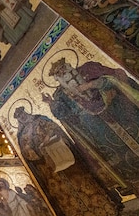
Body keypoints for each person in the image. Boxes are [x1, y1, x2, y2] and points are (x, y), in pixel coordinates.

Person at [13, 106, 121, 216]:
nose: (22, 117)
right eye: (19, 116)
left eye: (22, 113)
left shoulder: (40, 120)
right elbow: (25, 153)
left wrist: (47, 139)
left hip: (63, 157)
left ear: (26, 112)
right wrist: (34, 152)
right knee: (66, 196)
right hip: (48, 168)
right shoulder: (22, 134)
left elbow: (55, 129)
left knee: (85, 186)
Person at [43, 57, 139, 196]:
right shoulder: (60, 95)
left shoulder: (89, 69)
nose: (64, 72)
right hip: (97, 126)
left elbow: (112, 78)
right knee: (118, 150)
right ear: (58, 78)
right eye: (60, 73)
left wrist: (91, 85)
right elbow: (64, 115)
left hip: (118, 111)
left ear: (69, 65)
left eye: (64, 68)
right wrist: (51, 103)